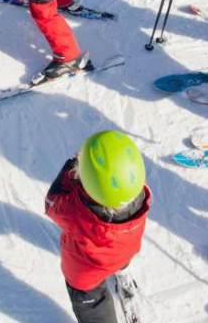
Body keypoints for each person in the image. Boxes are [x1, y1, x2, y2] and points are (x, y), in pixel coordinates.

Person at [45, 130, 151, 323]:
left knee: (94, 308)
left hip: (86, 273)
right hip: (125, 249)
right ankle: (123, 272)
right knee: (120, 253)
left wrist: (72, 168)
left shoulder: (75, 211)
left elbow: (51, 204)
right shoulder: (139, 194)